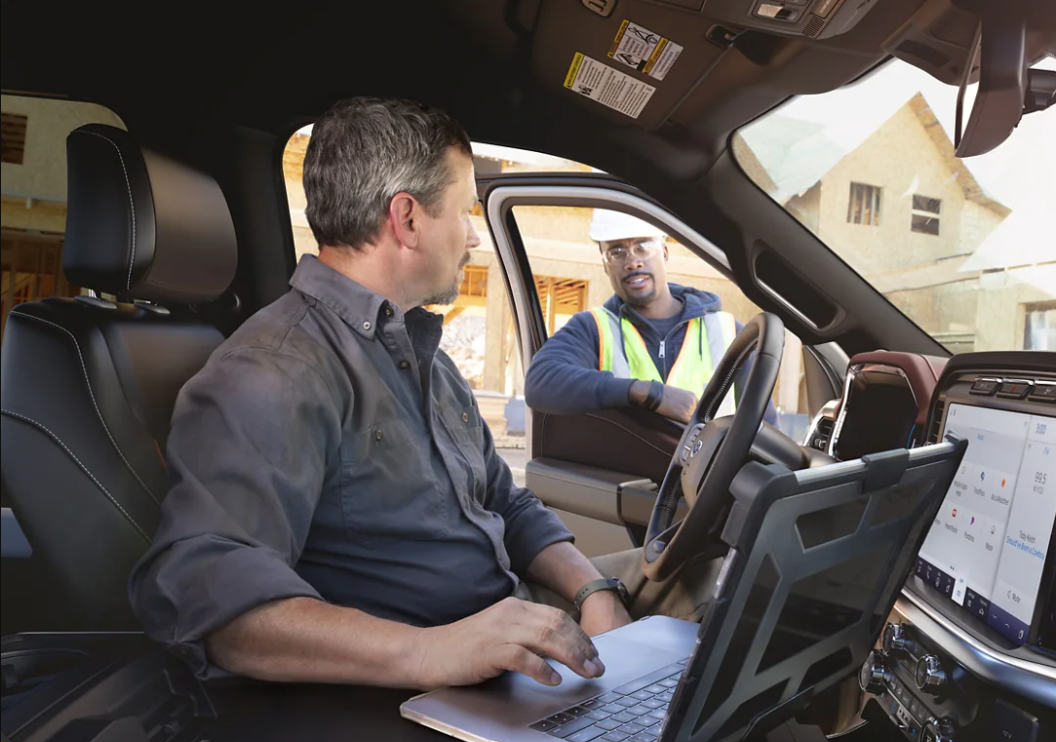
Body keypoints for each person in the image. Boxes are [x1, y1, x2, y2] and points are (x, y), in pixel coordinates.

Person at [129, 98, 711, 693]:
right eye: (465, 211)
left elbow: (506, 504)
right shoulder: (272, 371)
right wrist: (430, 651)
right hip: (428, 670)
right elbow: (210, 593)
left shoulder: (419, 352)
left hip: (503, 619)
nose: (476, 236)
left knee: (710, 576)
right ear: (407, 219)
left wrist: (592, 592)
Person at [525, 210, 772, 424]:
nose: (632, 261)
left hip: (711, 478)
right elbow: (540, 382)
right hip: (627, 476)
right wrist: (645, 392)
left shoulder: (727, 332)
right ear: (604, 265)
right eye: (616, 252)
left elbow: (765, 428)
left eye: (643, 246)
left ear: (664, 253)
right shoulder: (593, 329)